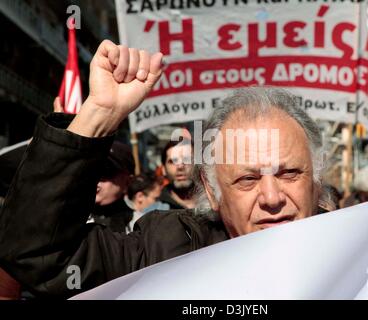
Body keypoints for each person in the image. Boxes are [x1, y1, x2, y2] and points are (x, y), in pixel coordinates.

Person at [0, 40, 325, 298]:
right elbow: (36, 254)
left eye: (289, 173)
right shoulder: (166, 249)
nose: (271, 197)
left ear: (317, 181)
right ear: (212, 192)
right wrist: (99, 114)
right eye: (248, 179)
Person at [89, 141, 135, 233]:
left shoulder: (138, 225)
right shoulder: (66, 215)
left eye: (106, 172)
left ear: (127, 181)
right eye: (91, 170)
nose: (96, 179)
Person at [158, 139, 196, 209]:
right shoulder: (155, 212)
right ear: (163, 169)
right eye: (172, 161)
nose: (180, 166)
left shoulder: (216, 205)